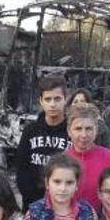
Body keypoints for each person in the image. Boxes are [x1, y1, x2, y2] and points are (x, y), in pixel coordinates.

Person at [16, 75, 71, 208]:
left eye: (57, 99)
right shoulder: (30, 130)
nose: (52, 104)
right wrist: (31, 198)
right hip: (33, 201)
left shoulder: (72, 131)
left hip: (66, 202)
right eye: (48, 99)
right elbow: (22, 167)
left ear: (65, 100)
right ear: (41, 101)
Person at [64, 103, 110, 210]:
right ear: (69, 131)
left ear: (96, 130)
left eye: (88, 129)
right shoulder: (62, 161)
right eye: (78, 129)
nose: (84, 135)